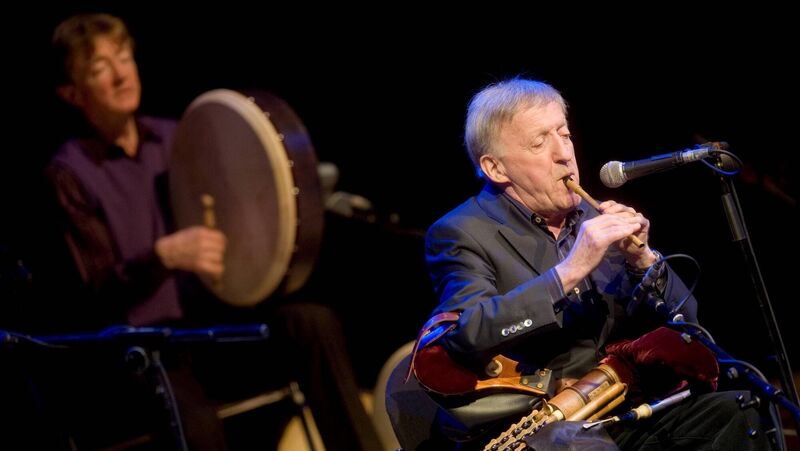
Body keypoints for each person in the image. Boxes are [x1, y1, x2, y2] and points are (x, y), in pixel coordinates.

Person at [43, 12, 381, 451]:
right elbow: (94, 292)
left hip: (215, 324)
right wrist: (162, 256)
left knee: (311, 323)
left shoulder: (178, 137)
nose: (121, 73)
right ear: (72, 93)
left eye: (124, 57)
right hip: (149, 349)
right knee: (198, 428)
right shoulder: (70, 173)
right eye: (99, 68)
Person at [419, 77, 771, 450]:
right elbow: (468, 334)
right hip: (535, 426)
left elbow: (690, 326)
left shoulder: (593, 217)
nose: (563, 153)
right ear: (496, 169)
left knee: (738, 410)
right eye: (540, 142)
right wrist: (569, 271)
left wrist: (643, 262)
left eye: (564, 134)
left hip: (617, 407)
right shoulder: (462, 231)